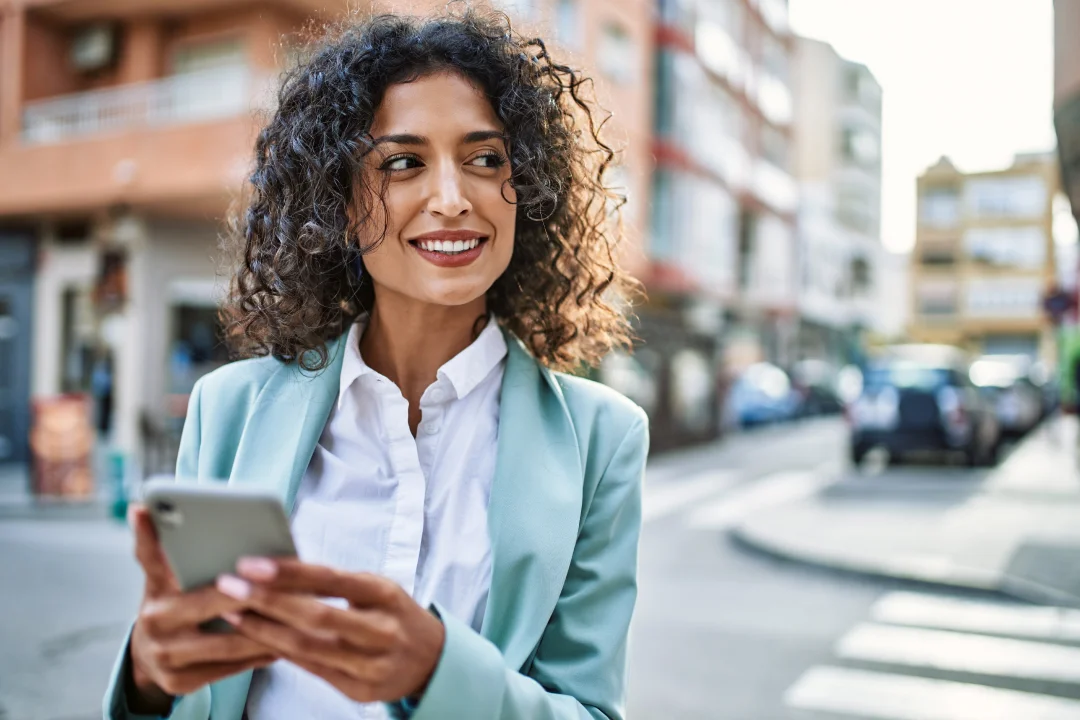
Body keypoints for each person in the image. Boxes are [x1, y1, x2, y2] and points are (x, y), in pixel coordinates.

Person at [103, 9, 648, 720]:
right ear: (340, 198)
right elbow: (194, 679)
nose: (452, 198)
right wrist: (149, 675)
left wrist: (438, 671)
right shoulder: (229, 408)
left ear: (529, 187)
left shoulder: (602, 441)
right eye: (402, 162)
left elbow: (590, 710)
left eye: (486, 159)